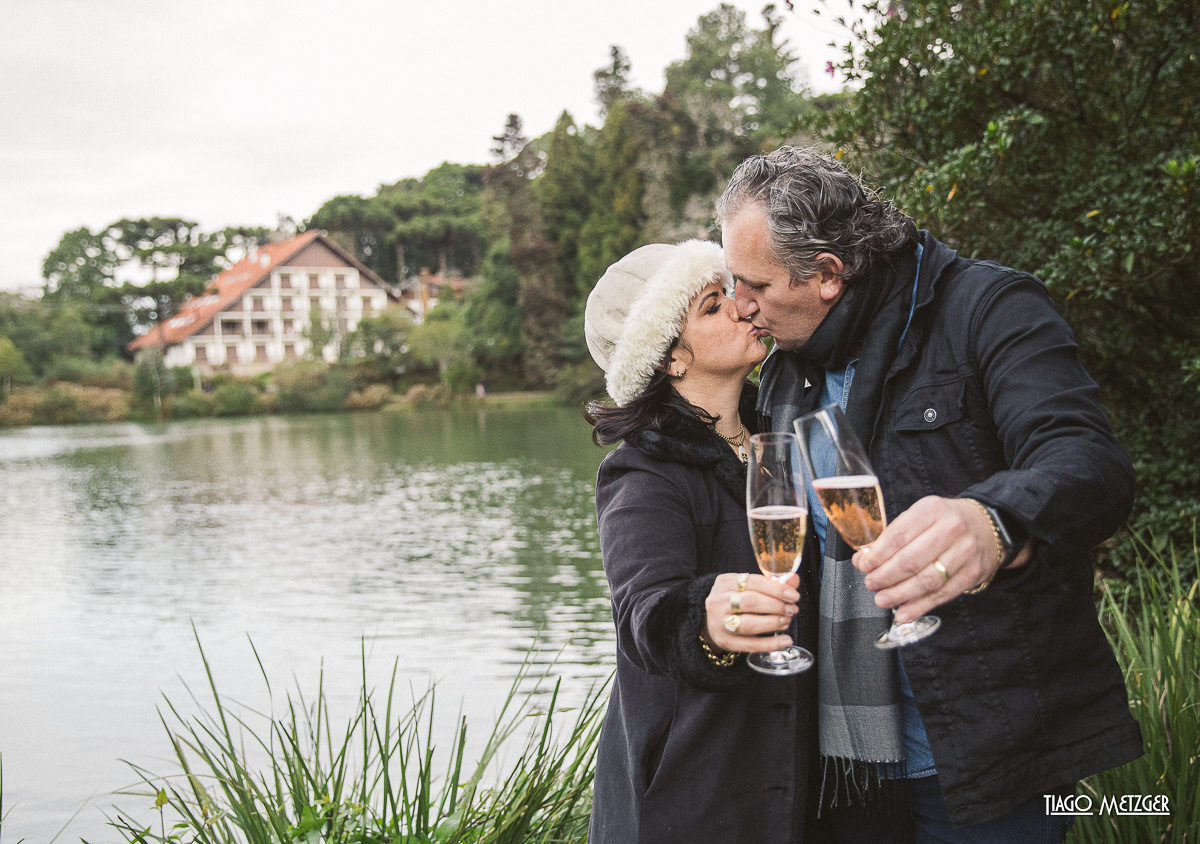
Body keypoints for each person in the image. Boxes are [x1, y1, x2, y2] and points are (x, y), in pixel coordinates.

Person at [716, 146, 1143, 842]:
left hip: (988, 751)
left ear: (828, 275)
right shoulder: (787, 368)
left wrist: (994, 521)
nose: (741, 308)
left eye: (754, 286)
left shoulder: (989, 306)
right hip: (837, 761)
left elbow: (1090, 461)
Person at [583, 239, 830, 844]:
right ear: (670, 358)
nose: (745, 308)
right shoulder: (642, 471)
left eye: (735, 295)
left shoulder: (782, 439)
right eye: (714, 306)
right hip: (692, 788)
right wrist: (705, 621)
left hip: (797, 773)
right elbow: (644, 612)